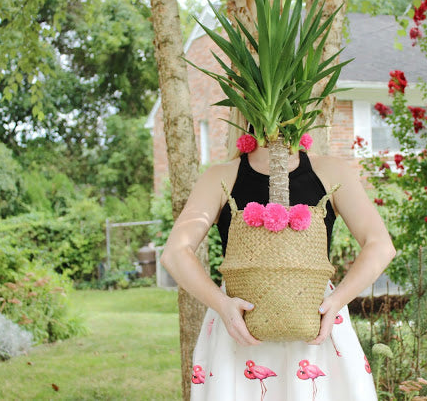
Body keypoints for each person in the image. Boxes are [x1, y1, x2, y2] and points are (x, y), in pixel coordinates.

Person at [161, 122, 397, 401]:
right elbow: (175, 253)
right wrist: (222, 305)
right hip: (240, 329)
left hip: (315, 325)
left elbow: (381, 246)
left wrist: (336, 302)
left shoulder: (331, 172)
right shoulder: (221, 177)